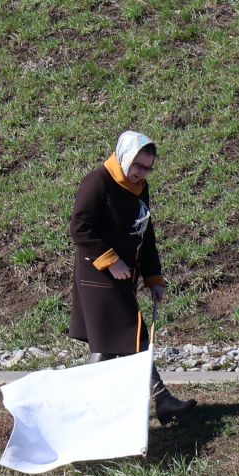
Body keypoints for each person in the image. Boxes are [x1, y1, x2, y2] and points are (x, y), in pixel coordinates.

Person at [70, 130, 197, 422]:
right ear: (124, 156)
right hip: (98, 277)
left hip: (125, 277)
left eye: (147, 167)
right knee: (133, 335)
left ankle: (87, 409)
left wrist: (154, 277)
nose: (141, 172)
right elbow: (80, 228)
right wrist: (110, 260)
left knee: (110, 345)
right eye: (137, 165)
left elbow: (145, 234)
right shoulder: (98, 181)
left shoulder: (141, 189)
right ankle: (162, 400)